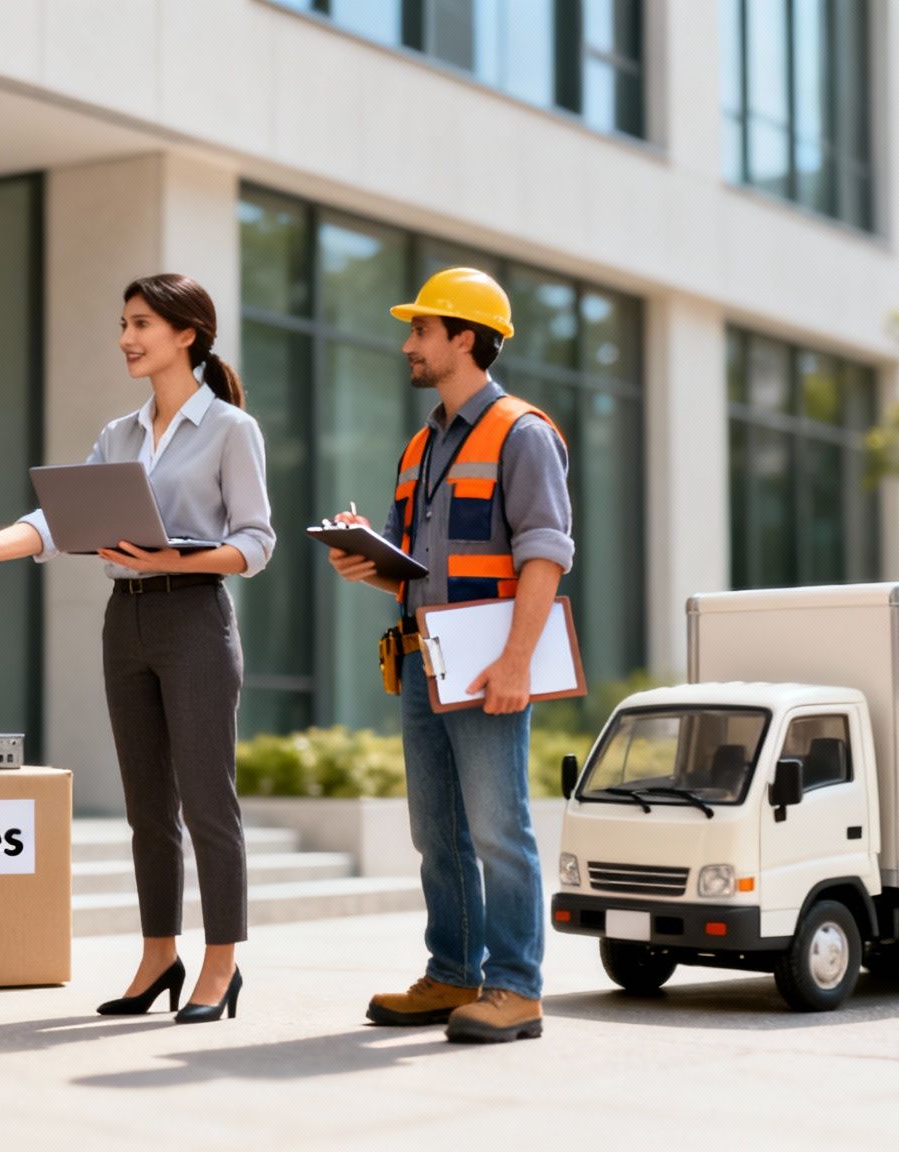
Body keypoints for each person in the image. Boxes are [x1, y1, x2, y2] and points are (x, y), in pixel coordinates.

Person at [0, 274, 273, 1024]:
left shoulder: (232, 429)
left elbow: (256, 542)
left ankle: (221, 964)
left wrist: (175, 560)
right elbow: (53, 519)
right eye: (123, 324)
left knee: (209, 802)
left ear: (187, 334)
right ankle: (158, 955)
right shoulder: (119, 433)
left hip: (195, 619)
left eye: (141, 324)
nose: (126, 338)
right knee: (147, 808)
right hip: (126, 621)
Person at [328, 267, 573, 1044]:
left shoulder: (522, 433)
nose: (409, 344)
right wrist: (371, 561)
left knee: (500, 828)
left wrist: (515, 661)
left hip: (487, 661)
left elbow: (545, 554)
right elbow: (422, 566)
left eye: (422, 330)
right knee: (438, 831)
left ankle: (515, 987)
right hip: (422, 659)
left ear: (463, 338)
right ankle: (452, 973)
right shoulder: (420, 445)